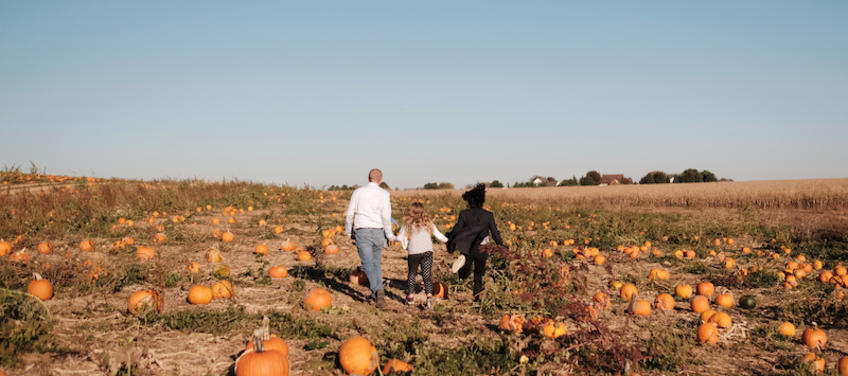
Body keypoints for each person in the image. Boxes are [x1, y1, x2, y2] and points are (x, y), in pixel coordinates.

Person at [446, 183, 505, 300]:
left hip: (467, 248)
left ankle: (462, 274)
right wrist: (502, 246)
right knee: (479, 274)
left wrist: (450, 239)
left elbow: (457, 229)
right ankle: (477, 297)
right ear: (482, 201)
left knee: (465, 269)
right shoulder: (488, 215)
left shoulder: (464, 214)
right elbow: (495, 233)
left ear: (469, 201)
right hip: (482, 248)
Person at [344, 168, 393, 307]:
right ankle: (376, 293)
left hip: (362, 230)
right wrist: (389, 234)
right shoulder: (384, 194)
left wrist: (348, 231)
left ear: (368, 178)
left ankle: (378, 290)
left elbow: (349, 214)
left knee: (367, 264)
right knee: (375, 263)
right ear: (381, 180)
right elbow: (386, 216)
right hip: (378, 231)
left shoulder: (358, 192)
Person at [397, 202, 448, 308]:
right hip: (427, 251)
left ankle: (410, 297)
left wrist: (405, 246)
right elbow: (437, 234)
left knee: (412, 274)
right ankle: (429, 297)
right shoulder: (428, 222)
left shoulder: (407, 223)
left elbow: (400, 237)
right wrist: (447, 241)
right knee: (426, 274)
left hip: (414, 251)